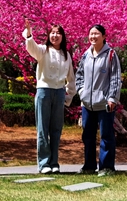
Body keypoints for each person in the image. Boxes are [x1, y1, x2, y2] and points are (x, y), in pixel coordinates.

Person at [23, 20, 76, 174]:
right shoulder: (43, 51)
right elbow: (31, 48)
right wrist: (29, 33)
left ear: (62, 36)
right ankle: (44, 163)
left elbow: (71, 77)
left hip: (59, 92)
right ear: (48, 35)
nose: (55, 35)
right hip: (44, 91)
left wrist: (69, 95)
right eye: (52, 33)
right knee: (42, 129)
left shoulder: (66, 55)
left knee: (56, 129)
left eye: (58, 33)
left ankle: (54, 162)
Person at [74, 24, 122, 177]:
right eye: (91, 34)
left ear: (104, 36)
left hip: (105, 103)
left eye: (96, 34)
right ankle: (88, 166)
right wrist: (82, 92)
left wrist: (112, 98)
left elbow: (115, 78)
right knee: (87, 135)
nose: (93, 37)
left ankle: (106, 167)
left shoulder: (111, 55)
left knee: (106, 135)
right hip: (87, 103)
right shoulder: (85, 55)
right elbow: (79, 76)